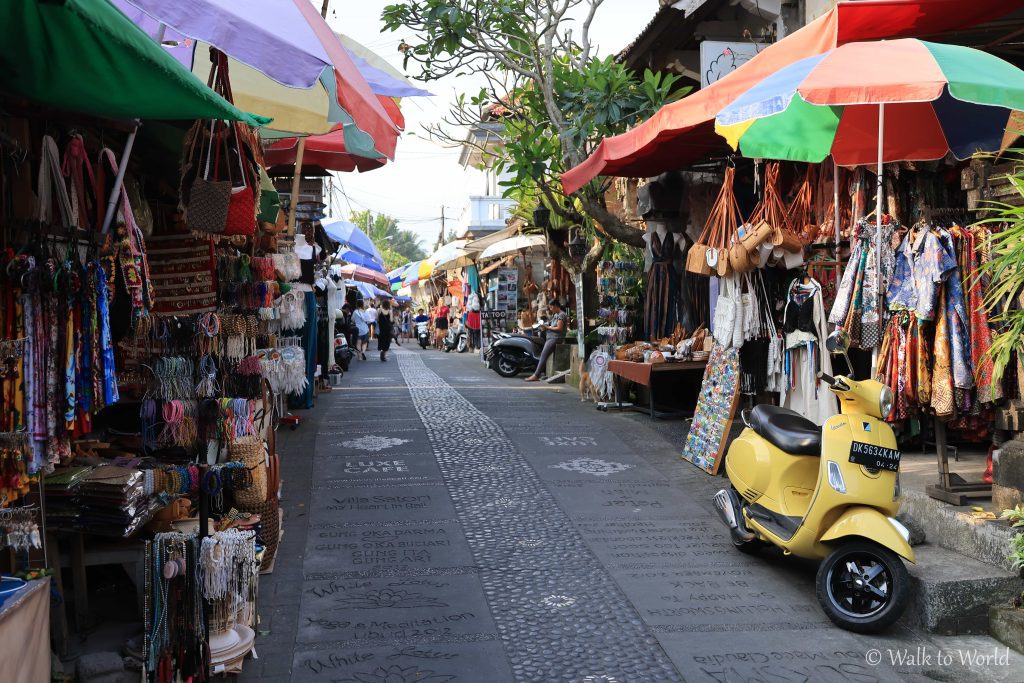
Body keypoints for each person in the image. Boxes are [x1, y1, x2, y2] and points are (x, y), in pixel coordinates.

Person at [525, 298, 566, 382]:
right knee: (543, 354)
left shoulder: (561, 315)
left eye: (551, 307)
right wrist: (544, 325)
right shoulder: (555, 315)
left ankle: (536, 375)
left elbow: (559, 328)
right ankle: (539, 374)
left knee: (544, 355)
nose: (550, 309)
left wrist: (547, 327)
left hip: (556, 338)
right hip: (550, 337)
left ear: (555, 306)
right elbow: (551, 324)